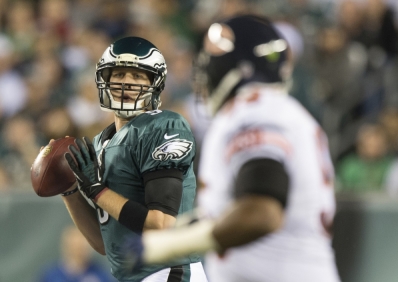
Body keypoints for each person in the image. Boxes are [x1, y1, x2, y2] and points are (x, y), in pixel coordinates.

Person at [122, 15, 342, 282]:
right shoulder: (276, 110)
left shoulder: (255, 110)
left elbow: (263, 212)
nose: (206, 73)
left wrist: (168, 246)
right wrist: (176, 231)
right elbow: (230, 213)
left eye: (213, 62)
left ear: (241, 67)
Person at [55, 36, 208, 281]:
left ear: (154, 83)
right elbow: (103, 244)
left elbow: (161, 224)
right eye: (118, 74)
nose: (127, 82)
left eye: (137, 76)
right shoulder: (99, 142)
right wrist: (70, 190)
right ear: (105, 80)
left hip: (167, 271)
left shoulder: (163, 126)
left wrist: (97, 191)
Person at [37, 225, 115, 282]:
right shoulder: (51, 275)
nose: (80, 251)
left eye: (83, 246)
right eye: (76, 246)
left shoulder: (99, 273)